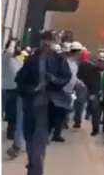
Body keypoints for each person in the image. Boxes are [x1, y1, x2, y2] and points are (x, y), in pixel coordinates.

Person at [15, 30, 73, 175]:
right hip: (31, 102)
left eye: (50, 40)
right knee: (29, 136)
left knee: (39, 139)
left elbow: (66, 76)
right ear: (41, 41)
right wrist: (32, 89)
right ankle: (34, 165)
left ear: (54, 42)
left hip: (48, 104)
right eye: (44, 40)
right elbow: (20, 79)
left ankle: (35, 168)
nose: (47, 43)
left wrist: (53, 80)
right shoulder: (32, 59)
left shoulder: (59, 59)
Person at [77, 48, 103, 135]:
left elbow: (79, 77)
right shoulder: (93, 67)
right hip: (93, 90)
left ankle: (80, 121)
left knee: (83, 105)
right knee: (95, 110)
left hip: (90, 90)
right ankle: (95, 128)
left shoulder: (83, 66)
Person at [2, 39, 22, 140]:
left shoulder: (16, 59)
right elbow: (9, 51)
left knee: (12, 114)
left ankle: (11, 133)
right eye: (17, 46)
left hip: (14, 89)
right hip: (5, 89)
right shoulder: (6, 57)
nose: (19, 48)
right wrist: (13, 42)